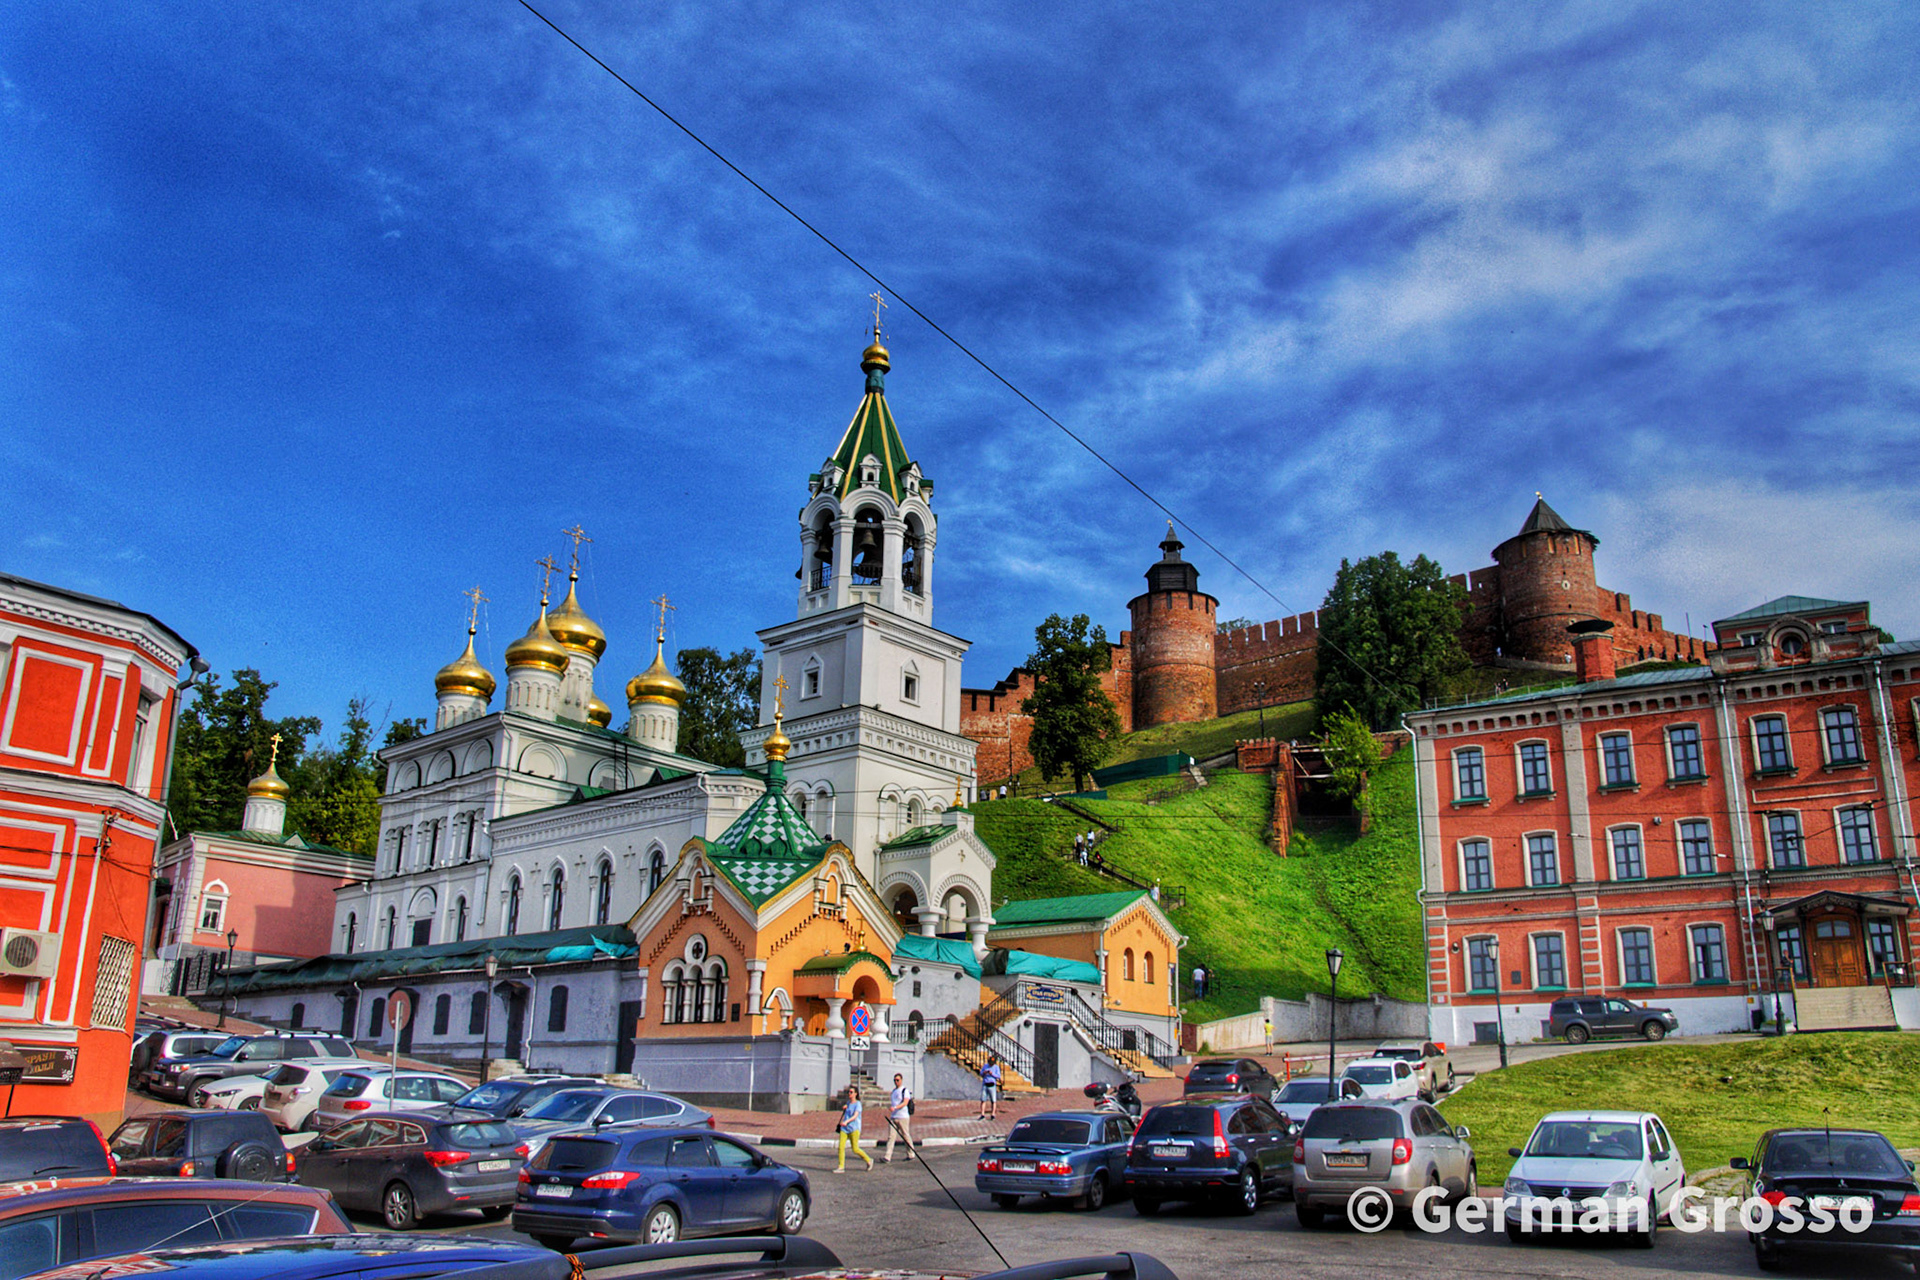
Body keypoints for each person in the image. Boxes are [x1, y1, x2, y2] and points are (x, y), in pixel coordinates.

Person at [835, 1084, 873, 1172]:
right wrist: (845, 1108)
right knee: (841, 1147)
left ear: (856, 1094)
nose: (849, 1093)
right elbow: (847, 1110)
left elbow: (855, 1116)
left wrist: (846, 1122)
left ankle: (868, 1160)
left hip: (854, 1128)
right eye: (849, 1092)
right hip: (844, 1129)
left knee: (855, 1149)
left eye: (851, 1092)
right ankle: (841, 1167)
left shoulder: (858, 1104)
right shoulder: (848, 1103)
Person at [884, 1072, 915, 1162]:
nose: (896, 1082)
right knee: (891, 1137)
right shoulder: (894, 1091)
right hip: (893, 1117)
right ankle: (887, 1157)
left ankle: (911, 1153)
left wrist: (895, 1107)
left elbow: (905, 1102)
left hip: (903, 1117)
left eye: (897, 1080)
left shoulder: (904, 1090)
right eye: (894, 1080)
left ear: (901, 1080)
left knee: (905, 1135)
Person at [978, 1054, 1003, 1120]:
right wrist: (984, 1073)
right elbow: (981, 1073)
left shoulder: (996, 1067)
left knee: (993, 1100)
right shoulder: (985, 1066)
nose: (991, 1064)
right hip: (985, 1084)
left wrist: (992, 1074)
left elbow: (998, 1076)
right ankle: (982, 1114)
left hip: (992, 1085)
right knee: (983, 1100)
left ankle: (993, 1114)